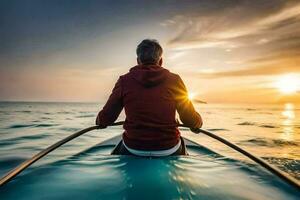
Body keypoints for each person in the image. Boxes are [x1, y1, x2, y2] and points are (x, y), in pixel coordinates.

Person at [96, 39, 202, 156]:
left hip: (134, 147)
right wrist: (198, 122)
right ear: (160, 61)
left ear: (138, 61)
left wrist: (100, 120)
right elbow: (189, 119)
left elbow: (106, 119)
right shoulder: (175, 80)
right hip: (168, 148)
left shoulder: (124, 81)